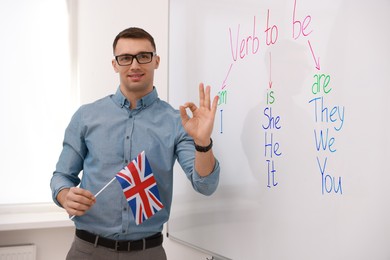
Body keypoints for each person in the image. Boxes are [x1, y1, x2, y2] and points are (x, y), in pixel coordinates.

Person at [50, 27, 220, 260]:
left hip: (147, 252)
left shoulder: (176, 122)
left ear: (156, 60)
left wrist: (203, 143)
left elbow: (206, 185)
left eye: (143, 56)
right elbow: (61, 176)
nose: (135, 65)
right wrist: (64, 195)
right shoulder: (86, 116)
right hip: (87, 250)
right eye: (125, 58)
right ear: (115, 64)